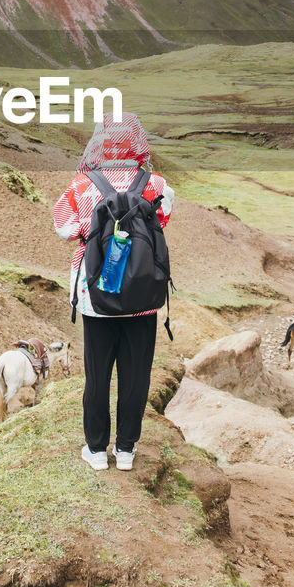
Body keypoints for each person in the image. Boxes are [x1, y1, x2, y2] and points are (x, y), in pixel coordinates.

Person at [53, 113, 174, 472]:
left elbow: (65, 228)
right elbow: (163, 220)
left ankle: (95, 450)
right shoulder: (155, 183)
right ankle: (125, 450)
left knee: (98, 373)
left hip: (96, 295)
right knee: (136, 374)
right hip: (143, 294)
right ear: (138, 141)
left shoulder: (80, 184)